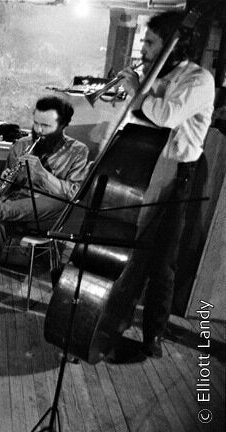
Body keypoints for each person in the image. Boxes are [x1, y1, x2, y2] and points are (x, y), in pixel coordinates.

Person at [118, 11, 215, 358]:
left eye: (150, 42)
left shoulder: (199, 80)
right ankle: (117, 320)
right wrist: (136, 92)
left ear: (174, 45)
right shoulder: (157, 75)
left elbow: (167, 116)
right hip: (149, 168)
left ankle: (152, 337)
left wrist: (138, 93)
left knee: (163, 261)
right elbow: (140, 118)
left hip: (180, 174)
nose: (143, 48)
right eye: (144, 41)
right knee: (133, 251)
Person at [0, 96, 90, 327]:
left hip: (50, 218)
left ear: (63, 126)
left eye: (46, 126)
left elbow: (74, 194)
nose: (38, 131)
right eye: (36, 123)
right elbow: (7, 186)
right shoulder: (21, 146)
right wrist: (9, 180)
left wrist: (41, 173)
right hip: (14, 211)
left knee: (57, 201)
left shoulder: (78, 151)